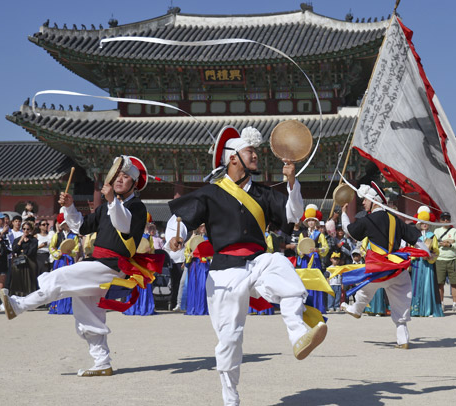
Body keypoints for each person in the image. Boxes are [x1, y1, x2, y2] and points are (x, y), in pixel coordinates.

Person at [168, 126, 327, 406]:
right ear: (233, 159)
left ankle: (299, 335)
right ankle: (230, 398)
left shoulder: (264, 194)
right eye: (250, 151)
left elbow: (292, 214)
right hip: (224, 271)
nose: (256, 155)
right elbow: (177, 221)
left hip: (257, 262)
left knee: (283, 271)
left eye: (255, 151)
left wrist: (291, 184)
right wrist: (174, 239)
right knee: (229, 338)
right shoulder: (210, 193)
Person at [1, 155, 151, 377]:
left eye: (126, 176)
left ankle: (20, 305)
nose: (120, 179)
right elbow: (81, 227)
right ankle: (102, 363)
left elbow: (124, 226)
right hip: (97, 263)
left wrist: (111, 201)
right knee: (88, 314)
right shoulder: (105, 208)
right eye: (118, 175)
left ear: (134, 183)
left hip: (111, 265)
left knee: (60, 277)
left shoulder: (137, 207)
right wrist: (70, 207)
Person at [339, 182, 427, 349]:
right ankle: (403, 340)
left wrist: (344, 214)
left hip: (378, 269)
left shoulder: (368, 220)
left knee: (365, 289)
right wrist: (427, 251)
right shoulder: (396, 219)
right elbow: (416, 239)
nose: (363, 203)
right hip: (396, 268)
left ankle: (357, 310)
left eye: (365, 199)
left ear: (374, 200)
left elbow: (349, 231)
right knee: (400, 301)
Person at [295, 204, 329, 314]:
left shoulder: (320, 234)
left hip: (315, 261)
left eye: (312, 221)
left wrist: (317, 250)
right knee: (305, 283)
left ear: (316, 222)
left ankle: (317, 306)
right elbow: (299, 247)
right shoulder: (302, 234)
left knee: (316, 283)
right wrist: (301, 252)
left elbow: (326, 248)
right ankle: (306, 306)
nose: (310, 222)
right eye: (309, 220)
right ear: (306, 222)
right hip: (305, 261)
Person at [410, 206, 443, 317]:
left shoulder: (432, 236)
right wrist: (415, 255)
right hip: (417, 263)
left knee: (427, 285)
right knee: (416, 285)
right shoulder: (415, 235)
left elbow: (436, 251)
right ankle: (416, 309)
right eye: (422, 222)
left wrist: (430, 256)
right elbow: (410, 249)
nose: (424, 224)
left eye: (426, 222)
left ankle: (428, 309)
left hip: (428, 264)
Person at [434, 211, 456, 313]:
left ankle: (455, 304)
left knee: (454, 283)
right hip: (440, 259)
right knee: (439, 283)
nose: (445, 220)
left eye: (447, 218)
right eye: (443, 218)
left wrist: (450, 245)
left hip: (452, 259)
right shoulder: (437, 231)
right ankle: (441, 303)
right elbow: (433, 244)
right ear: (440, 220)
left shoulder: (454, 231)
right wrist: (445, 243)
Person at [11, 221, 38, 296]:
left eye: (28, 229)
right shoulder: (17, 239)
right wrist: (20, 241)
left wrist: (22, 250)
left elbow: (31, 251)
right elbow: (14, 250)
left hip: (30, 262)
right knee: (18, 281)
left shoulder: (34, 240)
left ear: (31, 230)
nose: (26, 231)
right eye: (24, 229)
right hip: (19, 262)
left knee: (29, 281)